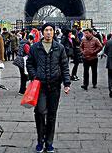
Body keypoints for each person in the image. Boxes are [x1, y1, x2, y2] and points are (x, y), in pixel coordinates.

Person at [26, 23, 71, 153]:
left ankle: (49, 142)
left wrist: (66, 83)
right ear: (42, 32)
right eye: (46, 30)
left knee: (51, 115)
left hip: (54, 86)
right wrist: (34, 76)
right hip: (40, 86)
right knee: (40, 112)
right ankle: (40, 140)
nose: (49, 32)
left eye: (51, 30)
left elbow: (64, 66)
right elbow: (29, 63)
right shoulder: (35, 47)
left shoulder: (59, 47)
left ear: (54, 32)